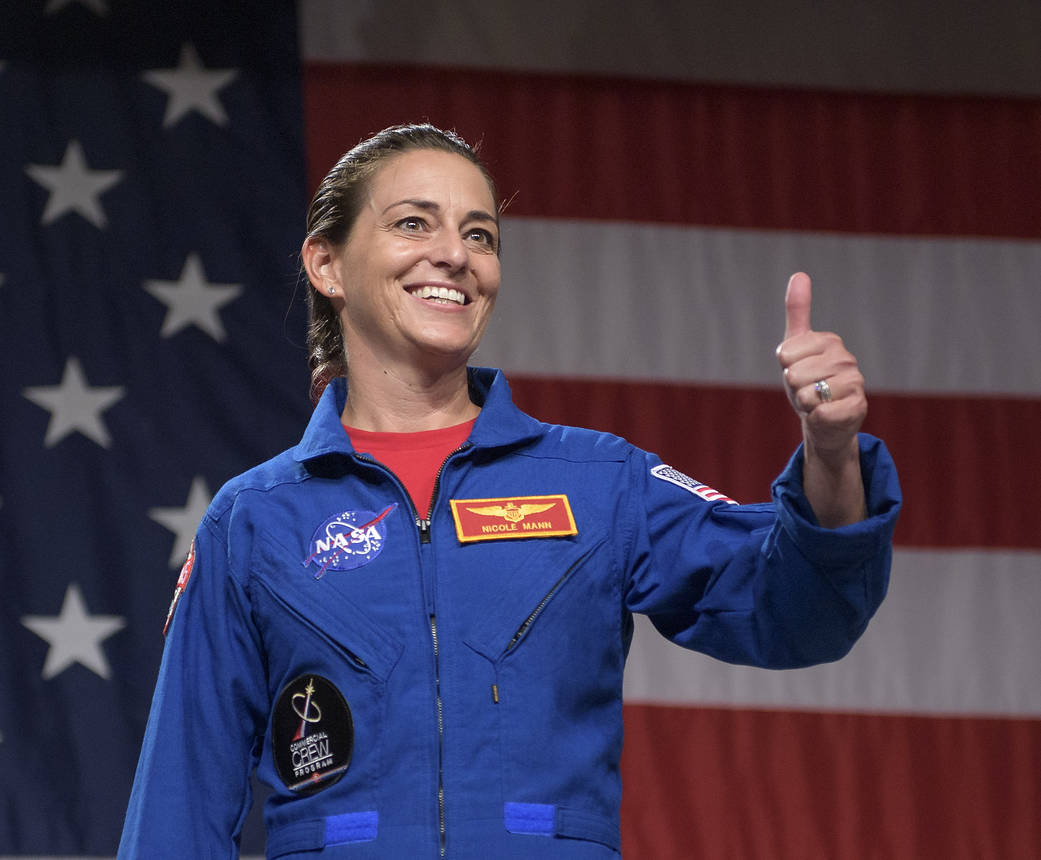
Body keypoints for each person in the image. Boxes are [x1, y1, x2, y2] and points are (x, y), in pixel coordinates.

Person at [119, 123, 900, 858]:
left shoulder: (598, 482)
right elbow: (177, 809)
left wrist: (828, 452)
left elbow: (802, 615)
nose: (455, 255)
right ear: (326, 266)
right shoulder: (253, 521)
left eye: (479, 234)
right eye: (414, 224)